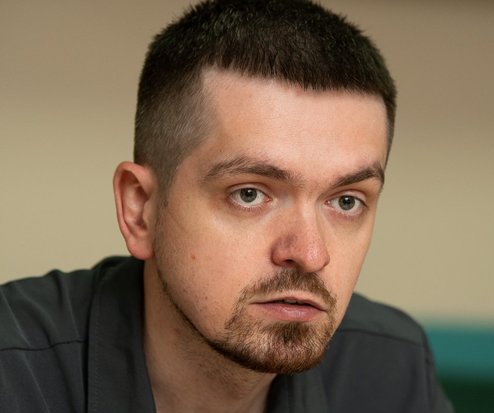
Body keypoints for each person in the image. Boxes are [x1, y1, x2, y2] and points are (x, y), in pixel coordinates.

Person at [0, 1, 452, 412]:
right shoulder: (15, 373)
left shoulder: (391, 368)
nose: (311, 254)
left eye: (346, 201)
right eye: (249, 194)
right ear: (140, 209)